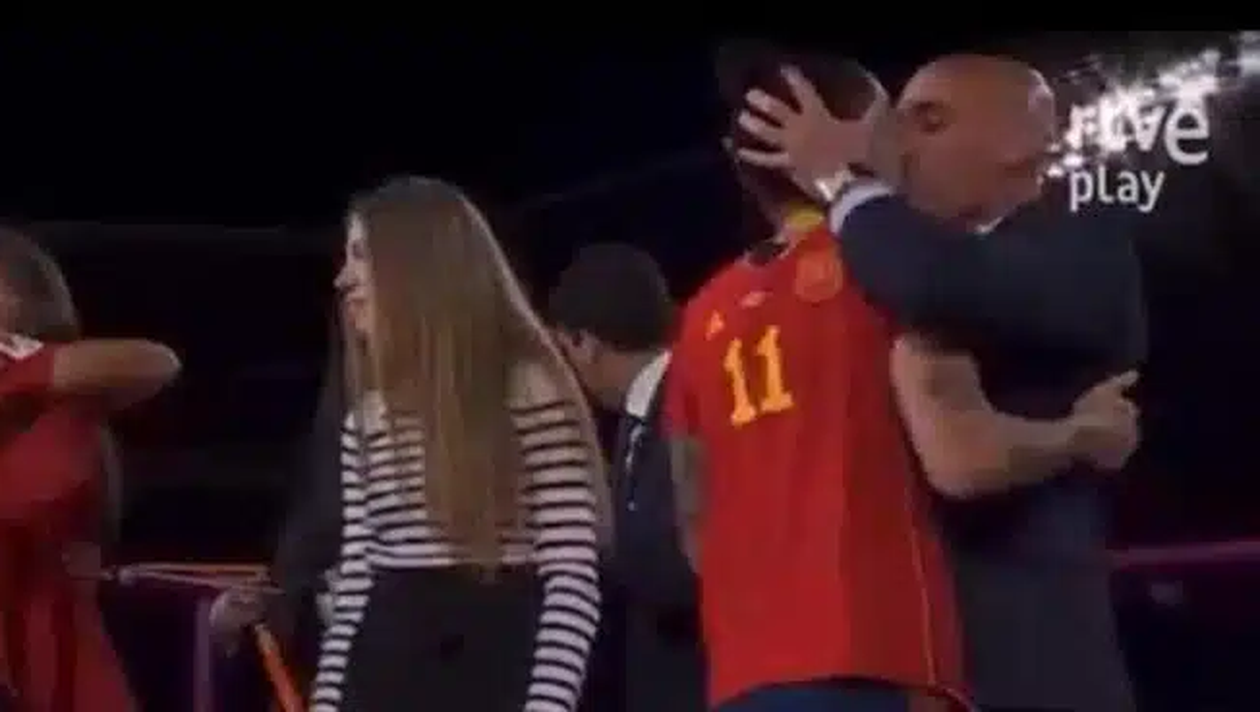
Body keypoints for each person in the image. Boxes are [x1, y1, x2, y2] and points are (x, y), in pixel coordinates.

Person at [737, 55, 1145, 711]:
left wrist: (840, 180)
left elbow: (934, 282)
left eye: (926, 122)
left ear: (1021, 139)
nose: (894, 147)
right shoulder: (853, 276)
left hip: (1034, 665)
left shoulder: (1082, 250)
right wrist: (1076, 436)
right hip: (900, 670)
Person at [663, 44, 968, 712]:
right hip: (879, 651)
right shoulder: (885, 268)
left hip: (744, 669)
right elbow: (962, 455)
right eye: (889, 122)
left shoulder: (701, 314)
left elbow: (693, 522)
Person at [307, 176, 607, 712]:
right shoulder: (367, 422)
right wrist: (326, 704)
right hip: (383, 680)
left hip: (491, 675)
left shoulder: (530, 393)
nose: (343, 278)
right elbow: (355, 586)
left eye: (361, 256)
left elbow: (571, 576)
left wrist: (547, 706)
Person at [0, 228, 181, 711]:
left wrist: (22, 362)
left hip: (53, 655)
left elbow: (160, 362)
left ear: (17, 302)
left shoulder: (60, 398)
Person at [549, 243, 704, 712]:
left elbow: (680, 562)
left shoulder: (689, 403)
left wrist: (590, 545)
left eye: (565, 351)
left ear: (586, 344)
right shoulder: (637, 420)